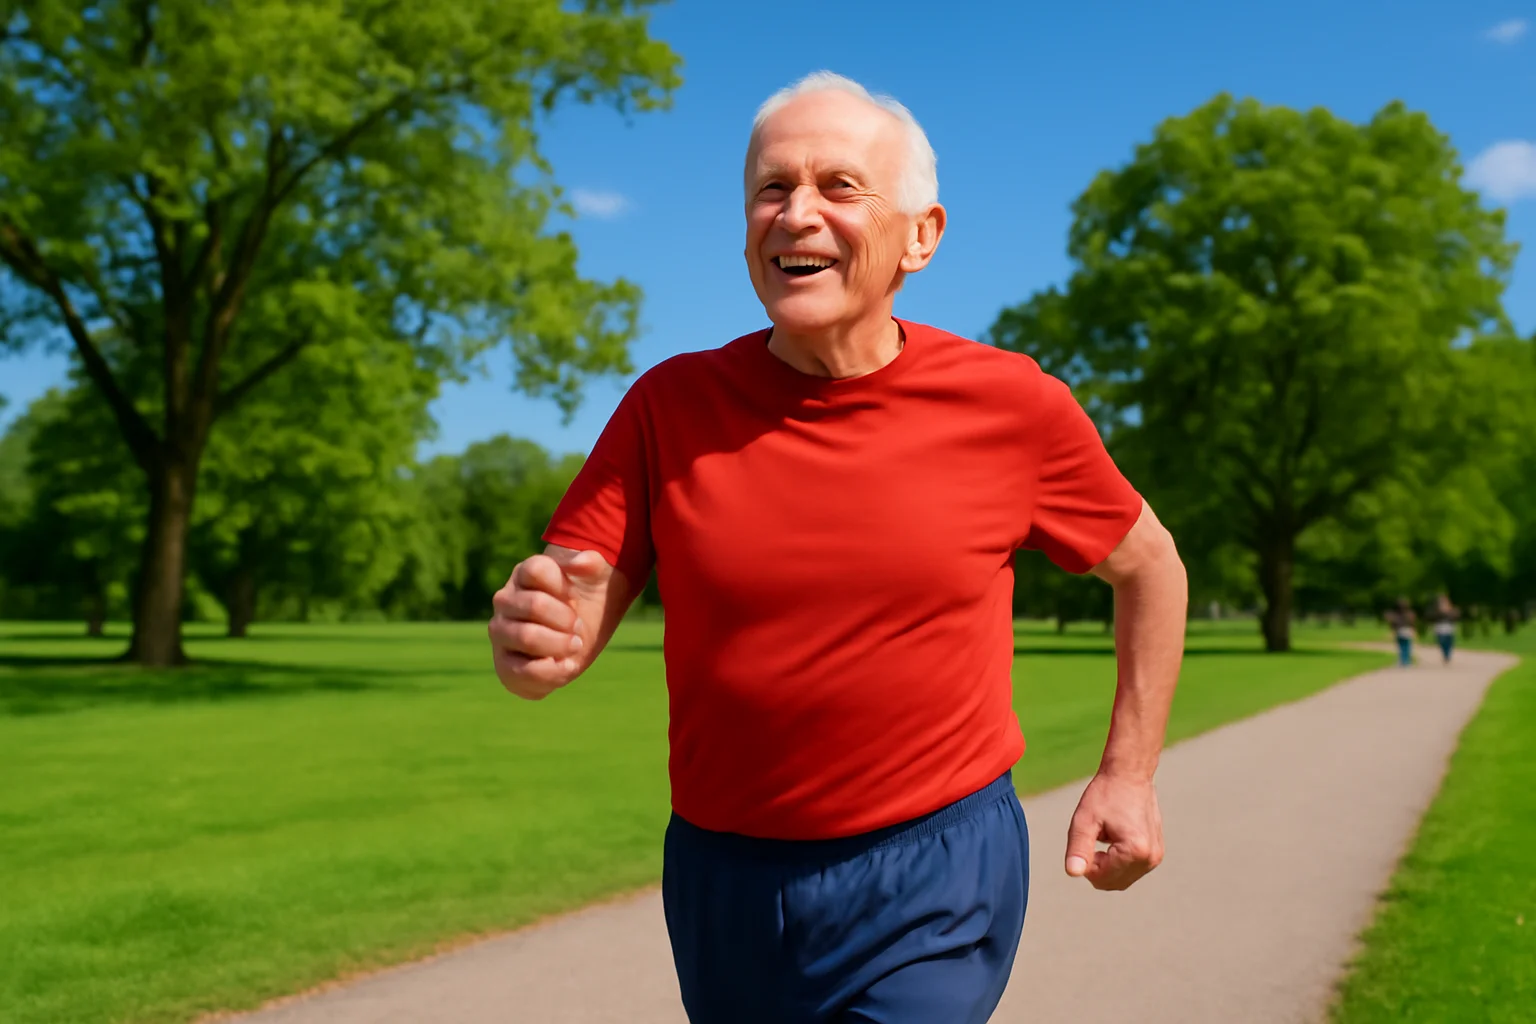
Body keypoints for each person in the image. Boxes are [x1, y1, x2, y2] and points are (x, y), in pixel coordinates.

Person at [488, 72, 1188, 1024]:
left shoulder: (1011, 406)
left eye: (838, 187)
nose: (795, 214)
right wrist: (536, 640)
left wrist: (1129, 773)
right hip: (721, 878)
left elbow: (1150, 565)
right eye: (771, 190)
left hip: (934, 872)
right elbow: (567, 613)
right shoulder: (668, 407)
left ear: (921, 235)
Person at [1388, 597, 1417, 667]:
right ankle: (1406, 661)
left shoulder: (1396, 615)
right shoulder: (1410, 614)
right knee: (1407, 646)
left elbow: (1393, 624)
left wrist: (1393, 631)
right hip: (1407, 631)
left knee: (1401, 647)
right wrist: (1414, 631)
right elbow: (1412, 624)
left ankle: (1403, 660)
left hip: (1400, 631)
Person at [1430, 593, 1459, 663]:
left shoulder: (1451, 609)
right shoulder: (1436, 609)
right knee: (1441, 642)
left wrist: (1449, 612)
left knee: (1449, 643)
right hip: (1440, 628)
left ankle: (1447, 656)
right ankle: (1445, 655)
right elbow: (1433, 617)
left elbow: (1455, 618)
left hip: (1449, 628)